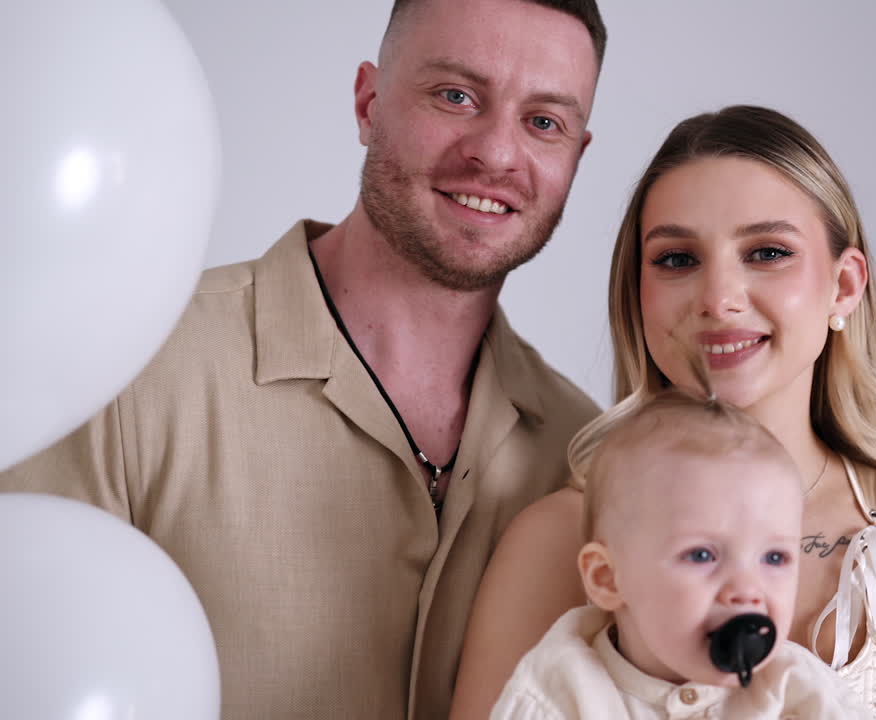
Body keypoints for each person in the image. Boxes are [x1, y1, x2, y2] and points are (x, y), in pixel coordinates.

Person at [0, 1, 606, 718]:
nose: (497, 154)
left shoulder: (587, 457)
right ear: (367, 103)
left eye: (544, 122)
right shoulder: (133, 366)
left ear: (576, 154)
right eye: (456, 96)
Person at [450, 105, 876, 719]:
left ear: (844, 286)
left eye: (768, 252)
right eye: (676, 259)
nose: (718, 299)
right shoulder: (560, 536)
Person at [491, 371, 867, 719]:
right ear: (608, 578)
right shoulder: (559, 692)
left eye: (774, 557)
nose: (746, 590)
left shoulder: (799, 690)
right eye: (702, 555)